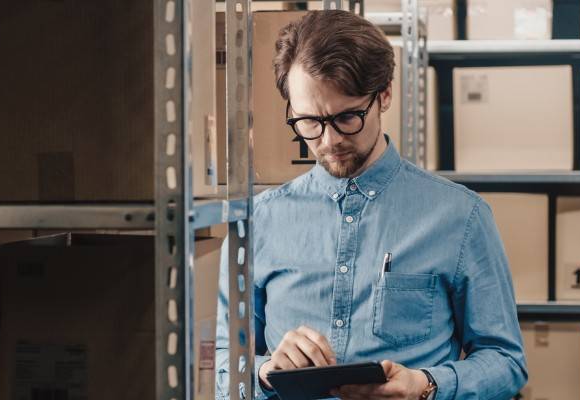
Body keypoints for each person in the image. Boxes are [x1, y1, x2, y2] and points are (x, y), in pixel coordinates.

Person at [217, 10, 527, 400]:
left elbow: (506, 361)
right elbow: (226, 362)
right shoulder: (257, 221)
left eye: (348, 117)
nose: (328, 141)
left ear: (384, 95)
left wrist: (428, 385)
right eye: (309, 121)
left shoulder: (461, 216)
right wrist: (265, 371)